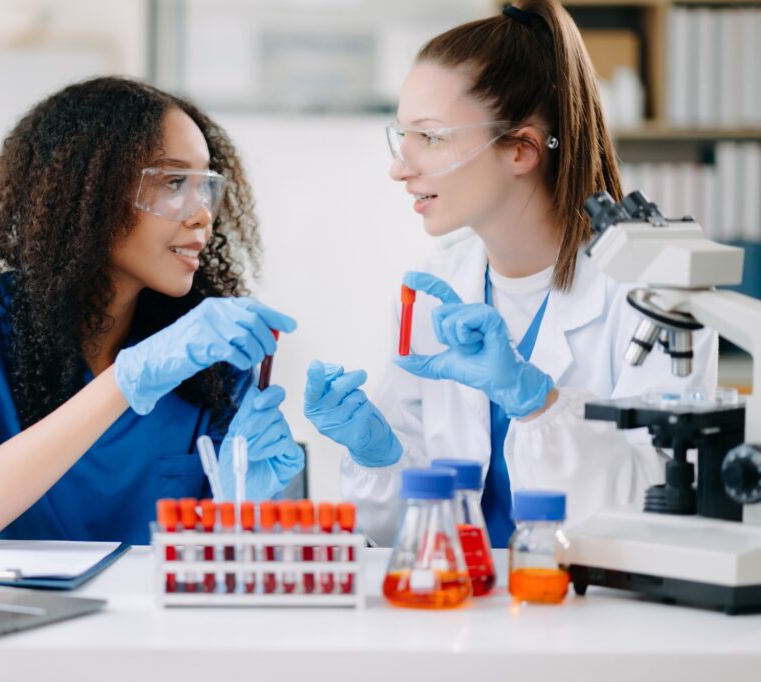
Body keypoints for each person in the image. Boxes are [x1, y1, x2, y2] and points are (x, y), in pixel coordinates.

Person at [303, 0, 716, 546]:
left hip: (595, 616)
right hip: (463, 617)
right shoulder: (432, 290)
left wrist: (537, 402)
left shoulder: (655, 293)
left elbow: (666, 510)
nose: (400, 167)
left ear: (521, 149)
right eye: (401, 136)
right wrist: (378, 452)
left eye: (430, 137)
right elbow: (396, 534)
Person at [0, 77, 303, 548]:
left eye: (206, 187)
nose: (202, 214)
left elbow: (224, 569)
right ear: (89, 192)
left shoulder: (211, 355)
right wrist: (125, 380)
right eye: (175, 182)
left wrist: (247, 509)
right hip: (19, 617)